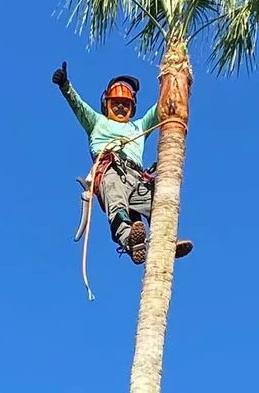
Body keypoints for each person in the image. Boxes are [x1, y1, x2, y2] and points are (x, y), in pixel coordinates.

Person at [52, 61, 193, 265]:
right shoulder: (97, 122)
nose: (120, 107)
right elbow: (78, 106)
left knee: (156, 203)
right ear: (107, 104)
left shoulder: (139, 127)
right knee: (116, 199)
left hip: (137, 177)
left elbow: (160, 106)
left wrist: (177, 82)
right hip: (111, 169)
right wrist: (65, 86)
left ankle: (166, 241)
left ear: (132, 108)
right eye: (116, 103)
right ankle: (129, 238)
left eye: (125, 104)